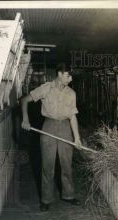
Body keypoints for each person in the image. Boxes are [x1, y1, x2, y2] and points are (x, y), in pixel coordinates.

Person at [21, 63, 82, 212]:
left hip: (65, 127)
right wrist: (25, 119)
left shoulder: (71, 93)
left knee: (66, 164)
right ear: (60, 74)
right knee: (47, 166)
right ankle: (46, 199)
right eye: (68, 75)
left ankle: (68, 195)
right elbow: (24, 101)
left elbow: (73, 117)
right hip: (48, 126)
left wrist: (77, 138)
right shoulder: (46, 88)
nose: (71, 78)